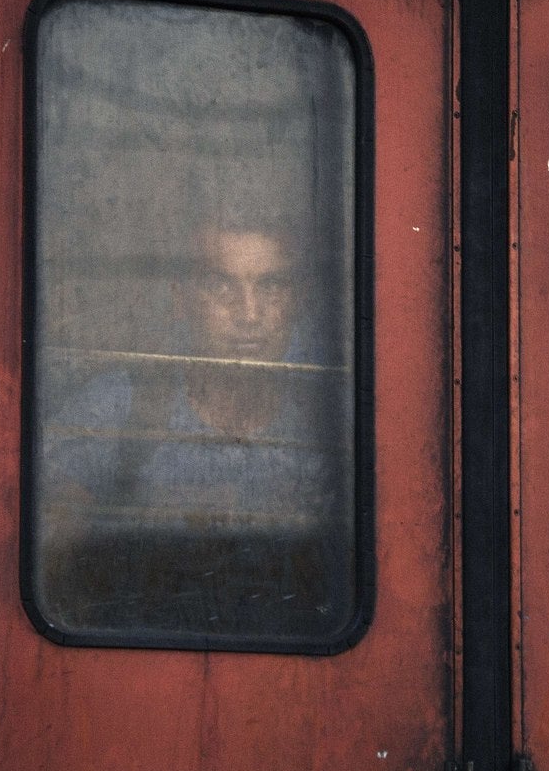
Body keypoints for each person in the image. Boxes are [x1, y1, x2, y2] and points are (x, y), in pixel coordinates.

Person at [30, 223, 352, 639]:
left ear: (298, 299)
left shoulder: (327, 420)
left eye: (271, 287)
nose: (249, 314)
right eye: (221, 287)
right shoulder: (117, 409)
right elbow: (52, 566)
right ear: (183, 299)